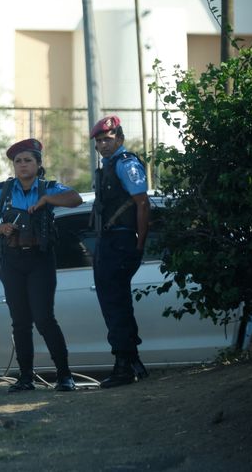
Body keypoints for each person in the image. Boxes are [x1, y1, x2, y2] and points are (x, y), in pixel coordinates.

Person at [0, 139, 83, 392]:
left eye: (28, 160)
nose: (23, 165)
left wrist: (48, 199)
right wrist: (2, 228)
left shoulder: (49, 187)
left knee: (44, 319)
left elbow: (76, 199)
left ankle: (64, 376)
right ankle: (25, 377)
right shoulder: (4, 190)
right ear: (13, 166)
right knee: (20, 321)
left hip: (40, 260)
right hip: (12, 261)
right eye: (18, 161)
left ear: (39, 164)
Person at [90, 115, 151, 388]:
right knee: (116, 305)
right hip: (108, 242)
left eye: (108, 139)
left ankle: (123, 367)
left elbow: (142, 204)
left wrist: (139, 244)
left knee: (115, 306)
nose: (103, 144)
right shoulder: (109, 166)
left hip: (120, 242)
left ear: (120, 138)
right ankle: (133, 361)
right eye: (99, 140)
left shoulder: (126, 164)